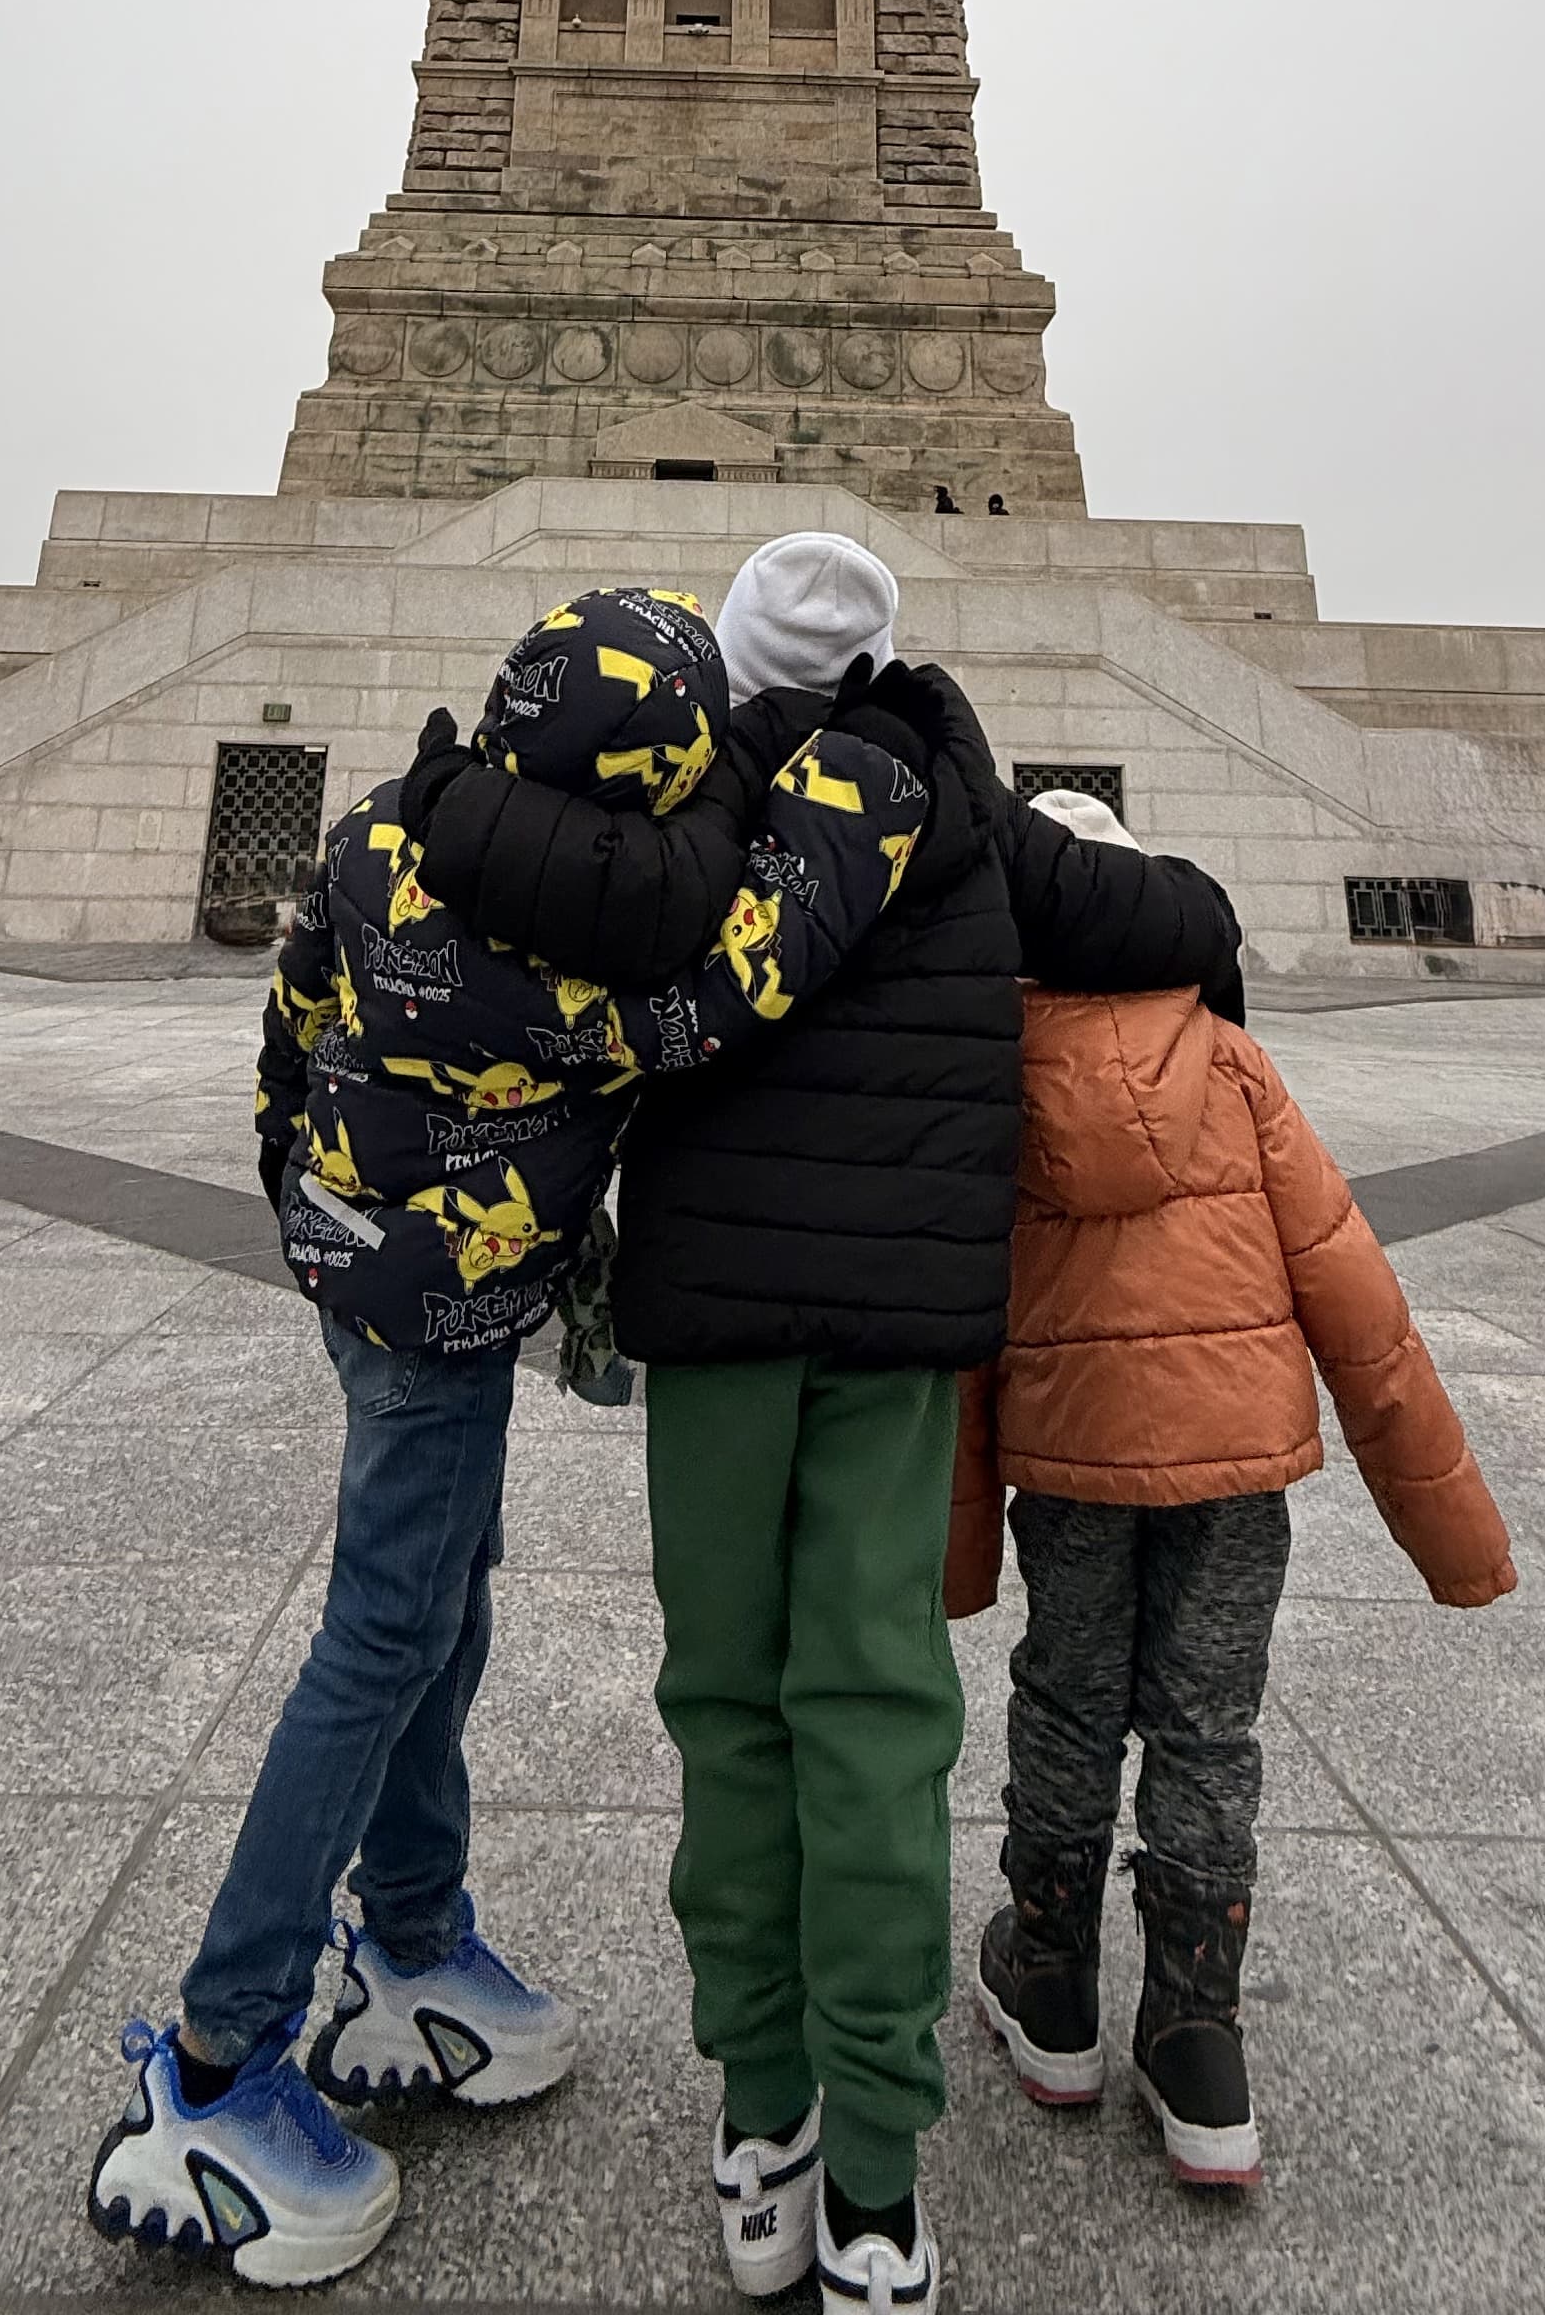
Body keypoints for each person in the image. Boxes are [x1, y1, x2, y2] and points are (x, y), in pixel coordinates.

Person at [407, 534, 1244, 2315]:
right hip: (899, 1337)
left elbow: (511, 875)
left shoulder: (681, 809)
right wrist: (1215, 950)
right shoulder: (966, 809)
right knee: (873, 1716)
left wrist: (439, 791)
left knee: (730, 1710)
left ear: (723, 656)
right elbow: (1161, 915)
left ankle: (762, 2115)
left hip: (713, 1327)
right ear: (885, 662)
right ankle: (878, 2184)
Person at [88, 585, 932, 2291]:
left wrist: (301, 1193)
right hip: (442, 1316)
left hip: (353, 1266)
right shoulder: (605, 963)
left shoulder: (376, 831)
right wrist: (876, 758)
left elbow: (292, 1021)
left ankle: (409, 1954)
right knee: (383, 1635)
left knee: (437, 1613)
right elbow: (763, 957)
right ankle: (215, 2065)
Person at [949, 789, 1518, 2191]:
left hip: (1069, 1456)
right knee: (1206, 1727)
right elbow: (1354, 1296)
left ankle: (1055, 1988)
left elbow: (956, 1326)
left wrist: (953, 1544)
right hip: (1232, 1458)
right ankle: (1196, 2040)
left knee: (1069, 1699)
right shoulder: (1233, 1065)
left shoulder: (991, 1071)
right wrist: (1451, 1528)